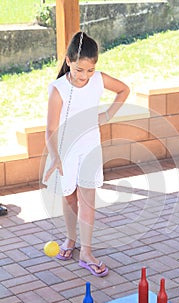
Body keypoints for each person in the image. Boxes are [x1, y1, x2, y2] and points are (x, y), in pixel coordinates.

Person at [43, 32, 130, 277]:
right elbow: (50, 128)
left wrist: (108, 114)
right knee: (69, 197)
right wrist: (55, 156)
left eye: (90, 70)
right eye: (80, 70)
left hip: (90, 147)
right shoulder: (58, 89)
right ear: (68, 61)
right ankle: (70, 240)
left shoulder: (99, 80)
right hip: (64, 151)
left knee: (88, 200)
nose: (85, 76)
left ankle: (87, 252)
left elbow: (124, 90)